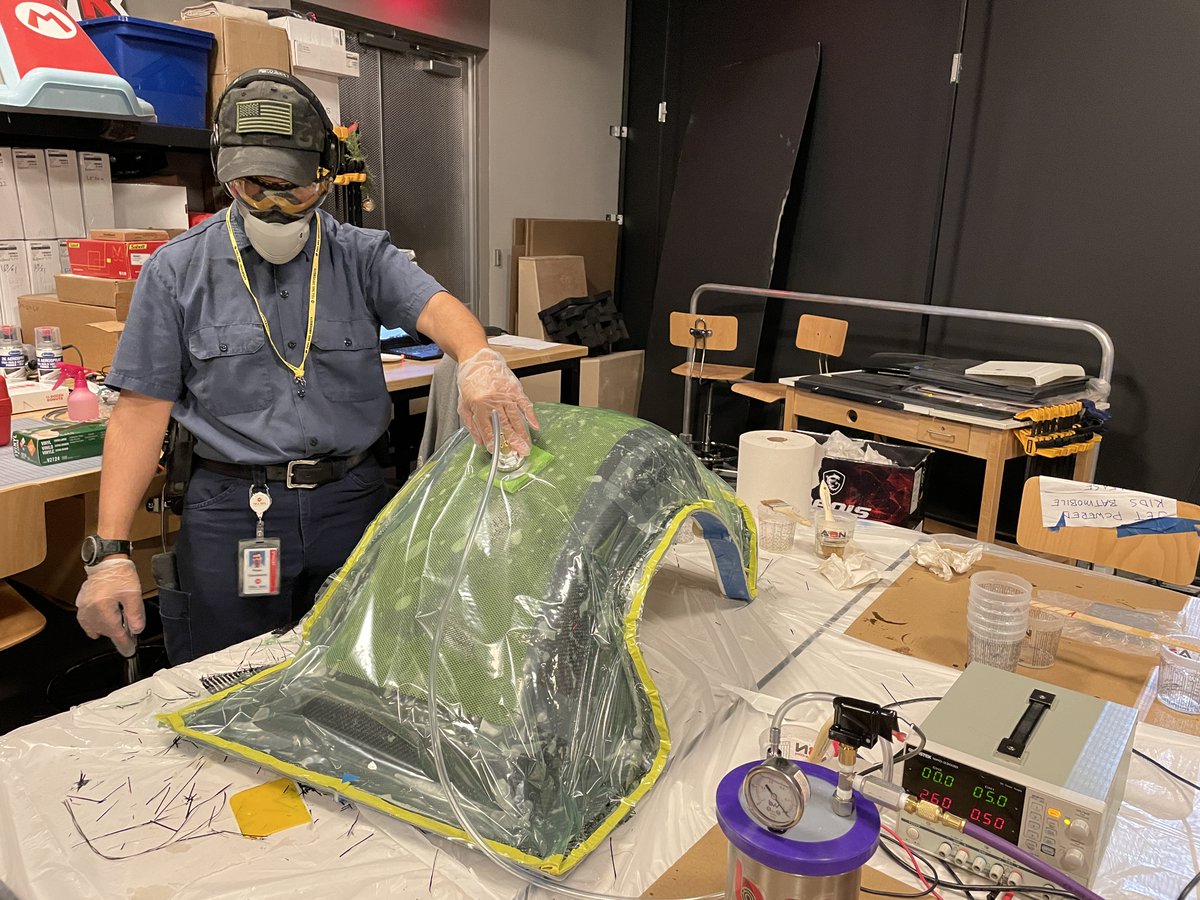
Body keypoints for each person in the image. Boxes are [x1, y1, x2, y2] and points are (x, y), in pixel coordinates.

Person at [74, 68, 537, 664]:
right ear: (225, 174)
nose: (272, 208)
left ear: (325, 177)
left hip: (350, 499)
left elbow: (437, 307)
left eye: (291, 190)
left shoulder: (361, 256)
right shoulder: (176, 271)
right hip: (235, 513)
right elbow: (140, 413)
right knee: (231, 674)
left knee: (357, 664)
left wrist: (476, 358)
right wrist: (111, 553)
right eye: (253, 188)